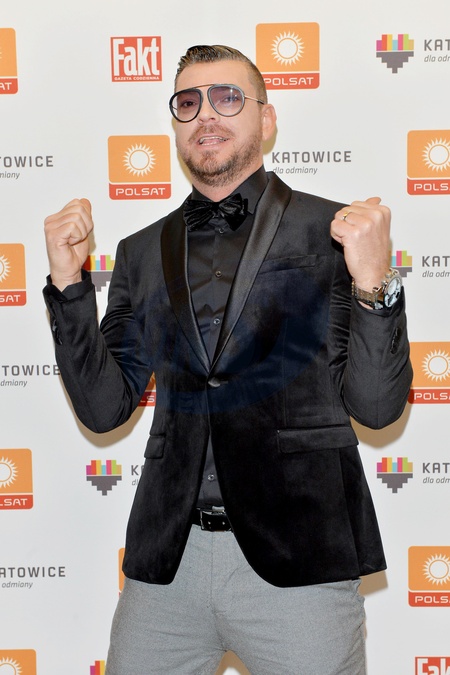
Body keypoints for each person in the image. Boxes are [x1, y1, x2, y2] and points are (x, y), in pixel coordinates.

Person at [43, 44, 413, 675]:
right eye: (188, 102)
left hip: (301, 564)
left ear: (266, 119)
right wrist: (68, 284)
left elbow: (378, 407)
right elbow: (104, 410)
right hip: (169, 565)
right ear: (175, 125)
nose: (206, 114)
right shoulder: (139, 252)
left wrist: (375, 283)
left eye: (227, 97)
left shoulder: (336, 233)